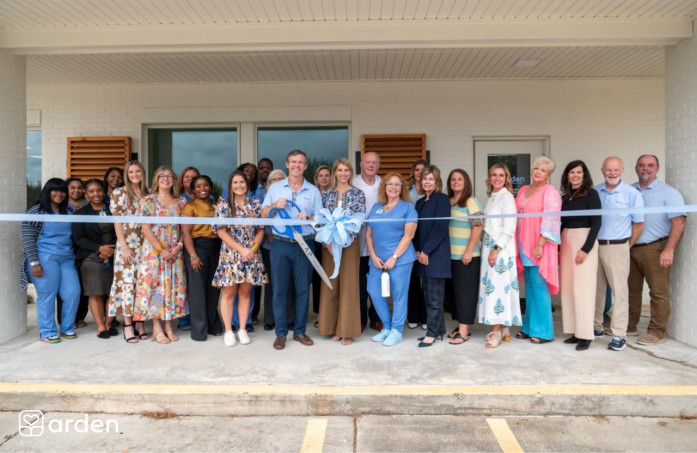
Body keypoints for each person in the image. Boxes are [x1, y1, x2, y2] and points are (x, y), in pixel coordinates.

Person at [262, 149, 322, 351]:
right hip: (280, 244)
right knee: (279, 290)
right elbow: (262, 214)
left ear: (305, 166)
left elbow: (320, 220)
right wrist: (273, 207)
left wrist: (310, 218)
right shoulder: (275, 188)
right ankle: (280, 334)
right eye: (293, 162)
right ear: (287, 164)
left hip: (305, 243)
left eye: (301, 162)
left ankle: (299, 331)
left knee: (303, 289)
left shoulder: (313, 191)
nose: (297, 165)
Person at [629, 154, 686, 346]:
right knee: (631, 290)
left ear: (657, 169)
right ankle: (629, 325)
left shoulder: (668, 192)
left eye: (650, 165)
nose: (646, 168)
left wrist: (669, 250)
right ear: (636, 168)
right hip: (630, 247)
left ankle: (656, 332)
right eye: (642, 165)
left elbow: (679, 221)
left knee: (658, 292)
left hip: (655, 248)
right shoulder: (630, 190)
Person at [21, 178, 81, 343]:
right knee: (47, 294)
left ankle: (67, 327)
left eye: (62, 190)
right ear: (47, 192)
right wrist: (34, 262)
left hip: (67, 258)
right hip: (44, 258)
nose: (59, 194)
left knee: (73, 293)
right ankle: (47, 331)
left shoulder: (70, 210)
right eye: (55, 190)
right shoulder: (36, 211)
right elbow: (27, 238)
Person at [133, 166, 188, 344]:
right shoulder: (148, 201)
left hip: (174, 251)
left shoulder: (180, 202)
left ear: (174, 180)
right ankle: (157, 327)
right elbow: (145, 228)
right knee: (156, 289)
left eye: (169, 176)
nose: (166, 179)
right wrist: (160, 250)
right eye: (162, 176)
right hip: (154, 253)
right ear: (156, 179)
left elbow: (184, 228)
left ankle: (169, 325)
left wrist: (179, 246)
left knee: (171, 288)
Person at [594, 156, 644, 351]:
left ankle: (618, 334)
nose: (612, 173)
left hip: (617, 246)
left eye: (616, 170)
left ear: (622, 170)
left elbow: (639, 223)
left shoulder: (631, 194)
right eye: (608, 170)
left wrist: (627, 245)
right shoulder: (595, 191)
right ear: (602, 170)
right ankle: (596, 326)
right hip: (594, 247)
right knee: (596, 290)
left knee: (619, 291)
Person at [213, 170, 267, 347]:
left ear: (247, 184)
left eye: (242, 182)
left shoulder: (255, 204)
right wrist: (241, 250)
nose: (239, 186)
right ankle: (228, 330)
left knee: (245, 292)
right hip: (231, 254)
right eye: (235, 182)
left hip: (250, 254)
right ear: (230, 185)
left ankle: (242, 329)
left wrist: (251, 250)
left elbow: (260, 230)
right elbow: (221, 231)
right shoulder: (224, 204)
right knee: (229, 293)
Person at [366, 173, 418, 347]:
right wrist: (373, 255)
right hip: (377, 261)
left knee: (398, 295)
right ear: (384, 187)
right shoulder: (376, 207)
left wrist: (394, 257)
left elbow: (409, 235)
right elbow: (368, 234)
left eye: (397, 184)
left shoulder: (408, 208)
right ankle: (387, 327)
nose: (393, 187)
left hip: (400, 259)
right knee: (373, 291)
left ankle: (396, 330)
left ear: (402, 188)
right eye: (390, 184)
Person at [318, 158, 365, 346]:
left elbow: (359, 220)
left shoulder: (358, 194)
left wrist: (344, 239)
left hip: (349, 243)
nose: (343, 173)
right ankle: (331, 327)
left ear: (350, 173)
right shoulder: (326, 195)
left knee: (349, 285)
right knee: (331, 283)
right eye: (340, 170)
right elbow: (321, 218)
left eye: (347, 170)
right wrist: (328, 242)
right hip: (329, 244)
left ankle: (346, 330)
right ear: (335, 172)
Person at [515, 156, 562, 344]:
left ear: (549, 173)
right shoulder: (524, 190)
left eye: (543, 170)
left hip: (537, 244)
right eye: (536, 168)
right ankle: (529, 327)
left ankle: (544, 332)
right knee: (530, 287)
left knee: (539, 287)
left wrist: (540, 243)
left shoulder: (550, 191)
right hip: (521, 241)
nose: (538, 172)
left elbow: (551, 219)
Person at [559, 160, 602, 351]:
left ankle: (585, 334)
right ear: (567, 175)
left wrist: (586, 248)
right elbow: (561, 222)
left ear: (584, 175)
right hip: (566, 239)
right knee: (568, 288)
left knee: (583, 289)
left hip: (583, 239)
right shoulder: (565, 197)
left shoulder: (591, 194)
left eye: (579, 172)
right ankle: (574, 331)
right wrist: (559, 245)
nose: (575, 175)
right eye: (572, 172)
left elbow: (597, 222)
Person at [477, 164, 521, 348]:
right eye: (494, 175)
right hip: (489, 248)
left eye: (501, 175)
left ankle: (496, 332)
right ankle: (503, 329)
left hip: (500, 250)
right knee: (492, 289)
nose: (497, 178)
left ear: (506, 178)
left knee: (497, 292)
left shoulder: (507, 197)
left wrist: (495, 249)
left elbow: (509, 227)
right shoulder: (492, 197)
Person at [108, 160, 149, 343]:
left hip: (146, 245)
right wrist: (123, 246)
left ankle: (139, 322)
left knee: (142, 284)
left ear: (143, 173)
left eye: (138, 171)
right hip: (127, 245)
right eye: (131, 172)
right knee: (127, 284)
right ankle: (127, 325)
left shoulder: (149, 193)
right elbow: (117, 221)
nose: (134, 175)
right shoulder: (119, 193)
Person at [72, 179, 117, 339]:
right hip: (91, 257)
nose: (95, 194)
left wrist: (112, 249)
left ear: (103, 191)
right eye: (91, 191)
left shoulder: (113, 208)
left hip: (115, 255)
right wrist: (100, 248)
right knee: (96, 293)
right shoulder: (80, 213)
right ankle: (100, 326)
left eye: (98, 190)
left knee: (114, 292)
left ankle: (109, 323)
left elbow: (121, 230)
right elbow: (79, 239)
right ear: (86, 193)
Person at [181, 174, 224, 341]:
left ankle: (213, 325)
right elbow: (185, 233)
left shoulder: (217, 206)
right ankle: (199, 330)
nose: (202, 189)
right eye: (198, 186)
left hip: (215, 248)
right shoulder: (189, 206)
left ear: (211, 187)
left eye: (205, 185)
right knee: (198, 290)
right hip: (197, 248)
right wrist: (193, 255)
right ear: (193, 190)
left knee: (213, 288)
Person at [414, 165, 451, 347]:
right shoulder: (420, 203)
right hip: (422, 255)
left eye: (430, 179)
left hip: (436, 255)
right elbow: (415, 229)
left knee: (435, 299)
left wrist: (426, 251)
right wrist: (418, 251)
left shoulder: (442, 200)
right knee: (428, 296)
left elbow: (440, 228)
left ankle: (431, 332)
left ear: (437, 182)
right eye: (424, 179)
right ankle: (439, 330)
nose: (427, 182)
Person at [446, 169, 484, 345]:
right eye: (453, 179)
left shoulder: (471, 201)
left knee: (465, 293)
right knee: (456, 294)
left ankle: (464, 331)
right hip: (451, 255)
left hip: (467, 256)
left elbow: (478, 227)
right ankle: (460, 325)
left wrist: (468, 251)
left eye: (459, 179)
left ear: (466, 181)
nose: (456, 182)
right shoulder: (449, 201)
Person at [352, 152, 382, 332]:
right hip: (357, 242)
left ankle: (376, 317)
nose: (371, 165)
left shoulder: (383, 183)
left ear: (378, 165)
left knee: (378, 283)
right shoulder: (353, 183)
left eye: (374, 163)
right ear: (361, 164)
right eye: (367, 162)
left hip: (379, 244)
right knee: (360, 285)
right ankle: (361, 318)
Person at [260, 169, 291, 331]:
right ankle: (270, 319)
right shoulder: (265, 198)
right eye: (274, 179)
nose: (277, 181)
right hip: (269, 246)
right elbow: (262, 220)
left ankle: (289, 318)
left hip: (286, 244)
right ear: (269, 183)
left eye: (281, 179)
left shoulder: (287, 196)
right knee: (272, 283)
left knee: (288, 283)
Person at [62, 177, 89, 328]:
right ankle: (65, 319)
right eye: (73, 187)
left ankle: (80, 317)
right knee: (68, 287)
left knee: (83, 284)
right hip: (67, 247)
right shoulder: (62, 205)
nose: (76, 190)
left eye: (79, 187)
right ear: (67, 189)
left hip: (84, 247)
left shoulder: (87, 204)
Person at [407, 159, 428, 329]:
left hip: (427, 239)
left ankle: (426, 318)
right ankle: (413, 316)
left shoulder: (434, 193)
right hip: (410, 238)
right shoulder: (407, 192)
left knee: (427, 281)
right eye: (417, 170)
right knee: (413, 280)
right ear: (413, 172)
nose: (420, 173)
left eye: (423, 170)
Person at [312, 165, 332, 320]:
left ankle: (329, 312)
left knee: (329, 276)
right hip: (313, 240)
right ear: (316, 178)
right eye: (321, 175)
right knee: (317, 277)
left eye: (327, 175)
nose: (324, 178)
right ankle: (320, 313)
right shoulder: (312, 193)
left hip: (330, 241)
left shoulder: (334, 194)